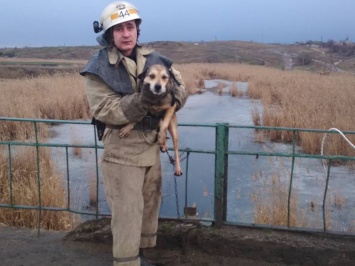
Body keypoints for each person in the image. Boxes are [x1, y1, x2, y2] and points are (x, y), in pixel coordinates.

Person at [80, 2, 188, 266]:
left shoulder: (157, 60)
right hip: (122, 148)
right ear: (108, 34)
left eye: (130, 27)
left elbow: (181, 89)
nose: (126, 34)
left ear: (137, 30)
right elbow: (106, 109)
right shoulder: (98, 67)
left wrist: (172, 94)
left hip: (151, 145)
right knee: (127, 211)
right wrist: (143, 100)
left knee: (150, 204)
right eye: (118, 29)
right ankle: (126, 262)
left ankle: (140, 255)